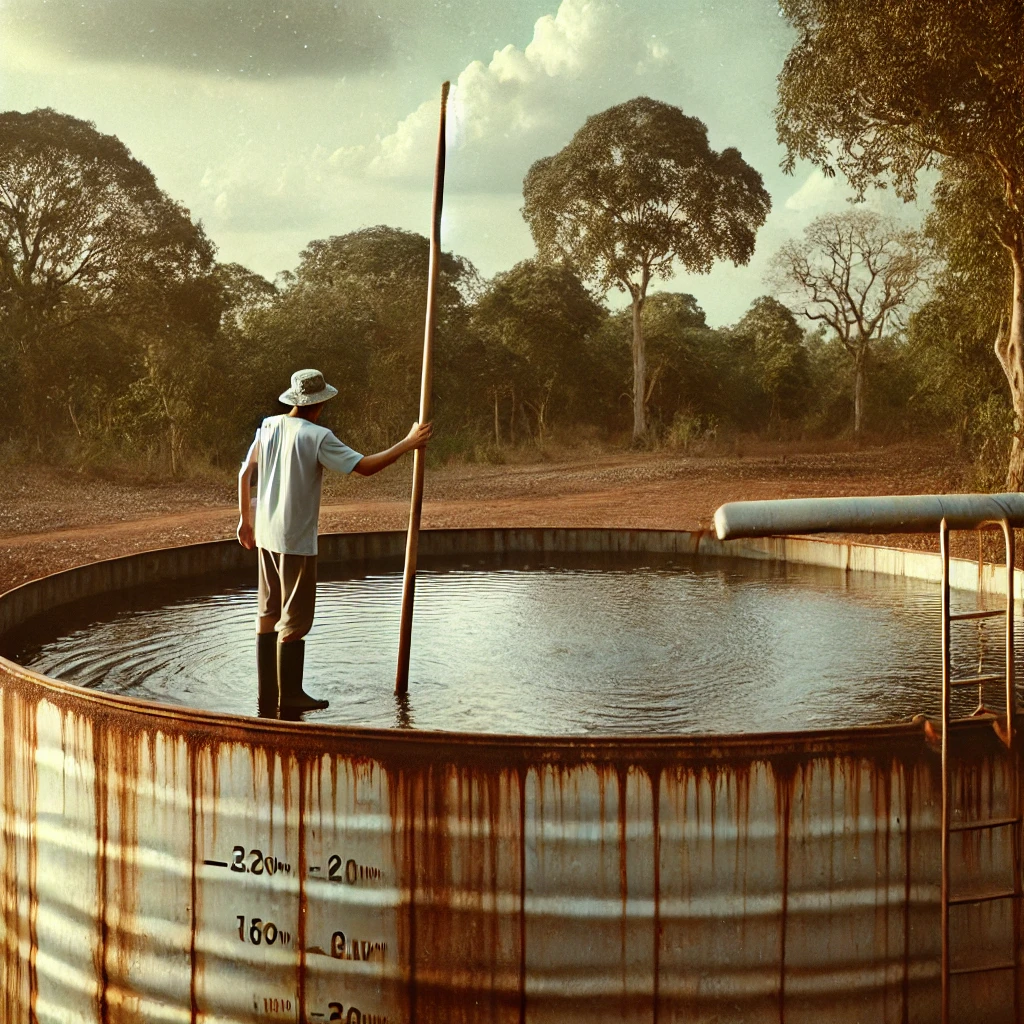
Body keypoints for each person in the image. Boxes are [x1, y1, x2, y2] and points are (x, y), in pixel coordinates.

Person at [237, 368, 432, 715]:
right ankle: (291, 696)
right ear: (321, 403)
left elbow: (243, 474)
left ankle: (267, 694)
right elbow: (364, 467)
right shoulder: (316, 436)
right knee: (295, 620)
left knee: (267, 612)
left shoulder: (267, 426)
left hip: (266, 534)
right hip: (295, 538)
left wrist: (244, 521)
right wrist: (408, 443)